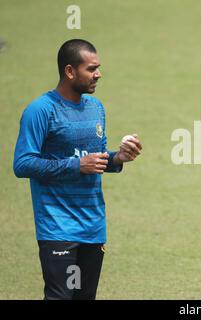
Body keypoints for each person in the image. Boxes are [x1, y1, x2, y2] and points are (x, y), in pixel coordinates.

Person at [13, 39, 142, 300]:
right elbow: (23, 163)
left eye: (98, 68)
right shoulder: (41, 110)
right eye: (91, 69)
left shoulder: (96, 108)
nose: (98, 74)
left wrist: (118, 158)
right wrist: (76, 165)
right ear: (70, 71)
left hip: (93, 226)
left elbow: (96, 159)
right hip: (58, 226)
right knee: (61, 297)